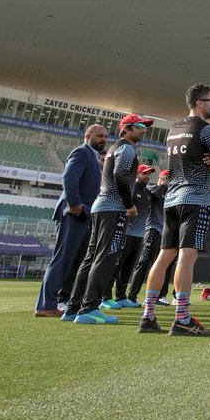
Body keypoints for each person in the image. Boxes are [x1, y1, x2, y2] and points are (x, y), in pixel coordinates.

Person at [137, 83, 210, 337]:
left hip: (172, 199)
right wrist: (208, 161)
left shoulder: (174, 129)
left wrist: (203, 159)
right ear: (200, 102)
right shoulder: (207, 130)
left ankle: (148, 316)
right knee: (187, 257)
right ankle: (182, 318)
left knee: (164, 256)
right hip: (195, 198)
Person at [63, 114, 154, 324]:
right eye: (140, 126)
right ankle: (89, 308)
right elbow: (121, 176)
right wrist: (129, 204)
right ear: (126, 128)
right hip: (113, 208)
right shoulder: (127, 148)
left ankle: (73, 308)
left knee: (91, 257)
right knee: (105, 257)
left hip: (102, 207)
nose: (144, 130)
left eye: (145, 126)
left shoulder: (116, 148)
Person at [35, 124, 106, 317]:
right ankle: (45, 305)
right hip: (74, 212)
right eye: (99, 135)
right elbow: (69, 178)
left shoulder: (92, 156)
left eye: (105, 136)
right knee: (62, 259)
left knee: (74, 260)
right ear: (87, 135)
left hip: (84, 213)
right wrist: (74, 204)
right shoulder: (81, 152)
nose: (103, 139)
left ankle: (62, 301)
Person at [109, 163, 155, 308]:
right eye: (144, 173)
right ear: (137, 174)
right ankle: (105, 297)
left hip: (139, 235)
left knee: (129, 267)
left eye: (148, 174)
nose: (147, 176)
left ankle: (121, 297)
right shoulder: (130, 189)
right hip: (126, 233)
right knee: (117, 265)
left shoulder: (148, 194)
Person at [125, 169, 170, 304]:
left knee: (159, 265)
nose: (169, 181)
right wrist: (162, 185)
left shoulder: (169, 193)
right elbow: (154, 198)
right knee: (144, 262)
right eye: (166, 178)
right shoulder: (153, 191)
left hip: (163, 232)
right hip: (152, 229)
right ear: (161, 178)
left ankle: (154, 297)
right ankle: (132, 296)